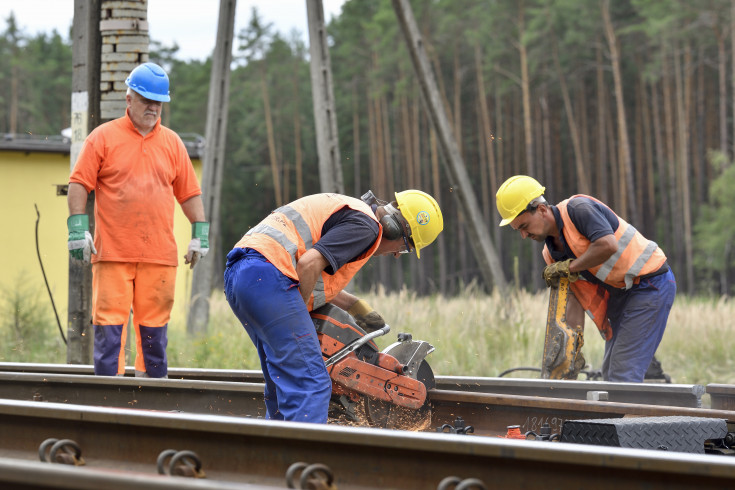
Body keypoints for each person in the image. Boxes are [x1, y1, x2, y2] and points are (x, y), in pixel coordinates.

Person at [224, 190, 443, 423]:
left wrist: (353, 305)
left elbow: (307, 267)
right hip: (268, 276)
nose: (398, 254)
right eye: (406, 245)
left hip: (242, 276)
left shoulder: (353, 211)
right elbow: (308, 264)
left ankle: (275, 453)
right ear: (393, 227)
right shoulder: (367, 228)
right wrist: (300, 320)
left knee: (284, 382)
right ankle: (304, 456)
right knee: (311, 383)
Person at [67, 62, 209, 378]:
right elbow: (79, 183)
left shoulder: (173, 143)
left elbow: (189, 194)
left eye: (158, 102)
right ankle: (108, 405)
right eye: (147, 100)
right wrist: (77, 229)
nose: (153, 108)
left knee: (154, 337)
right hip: (112, 255)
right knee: (109, 334)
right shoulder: (102, 138)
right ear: (129, 99)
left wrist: (201, 234)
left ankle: (150, 404)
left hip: (159, 257)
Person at [495, 175, 676, 382]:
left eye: (524, 226)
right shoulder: (551, 255)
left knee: (622, 374)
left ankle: (639, 409)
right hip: (622, 295)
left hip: (649, 284)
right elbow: (574, 298)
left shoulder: (578, 209)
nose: (524, 236)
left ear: (542, 210)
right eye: (518, 230)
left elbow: (607, 245)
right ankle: (649, 397)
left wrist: (569, 267)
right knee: (611, 374)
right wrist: (570, 350)